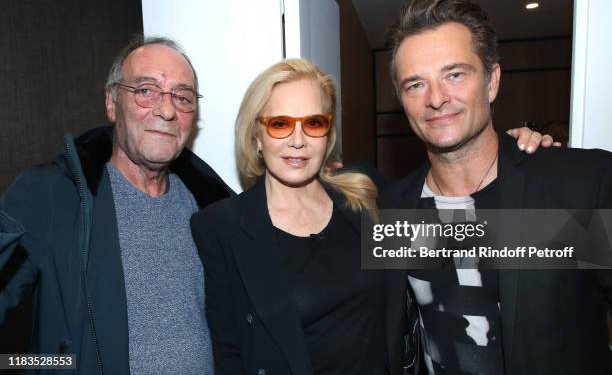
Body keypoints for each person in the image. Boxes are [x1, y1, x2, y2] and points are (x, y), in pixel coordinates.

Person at [190, 57, 552, 375]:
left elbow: (468, 240)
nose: (298, 140)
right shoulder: (222, 226)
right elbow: (229, 352)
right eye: (280, 124)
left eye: (313, 123)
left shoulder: (366, 197)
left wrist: (509, 156)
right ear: (256, 135)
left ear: (327, 134)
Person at [381, 0, 612, 375]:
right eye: (415, 85)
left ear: (492, 82)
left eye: (455, 74)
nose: (436, 99)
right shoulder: (392, 208)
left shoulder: (580, 185)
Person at [0, 36, 233, 374]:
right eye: (146, 90)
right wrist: (50, 366)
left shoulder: (213, 207)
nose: (166, 110)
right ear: (112, 102)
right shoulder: (53, 194)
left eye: (182, 97)